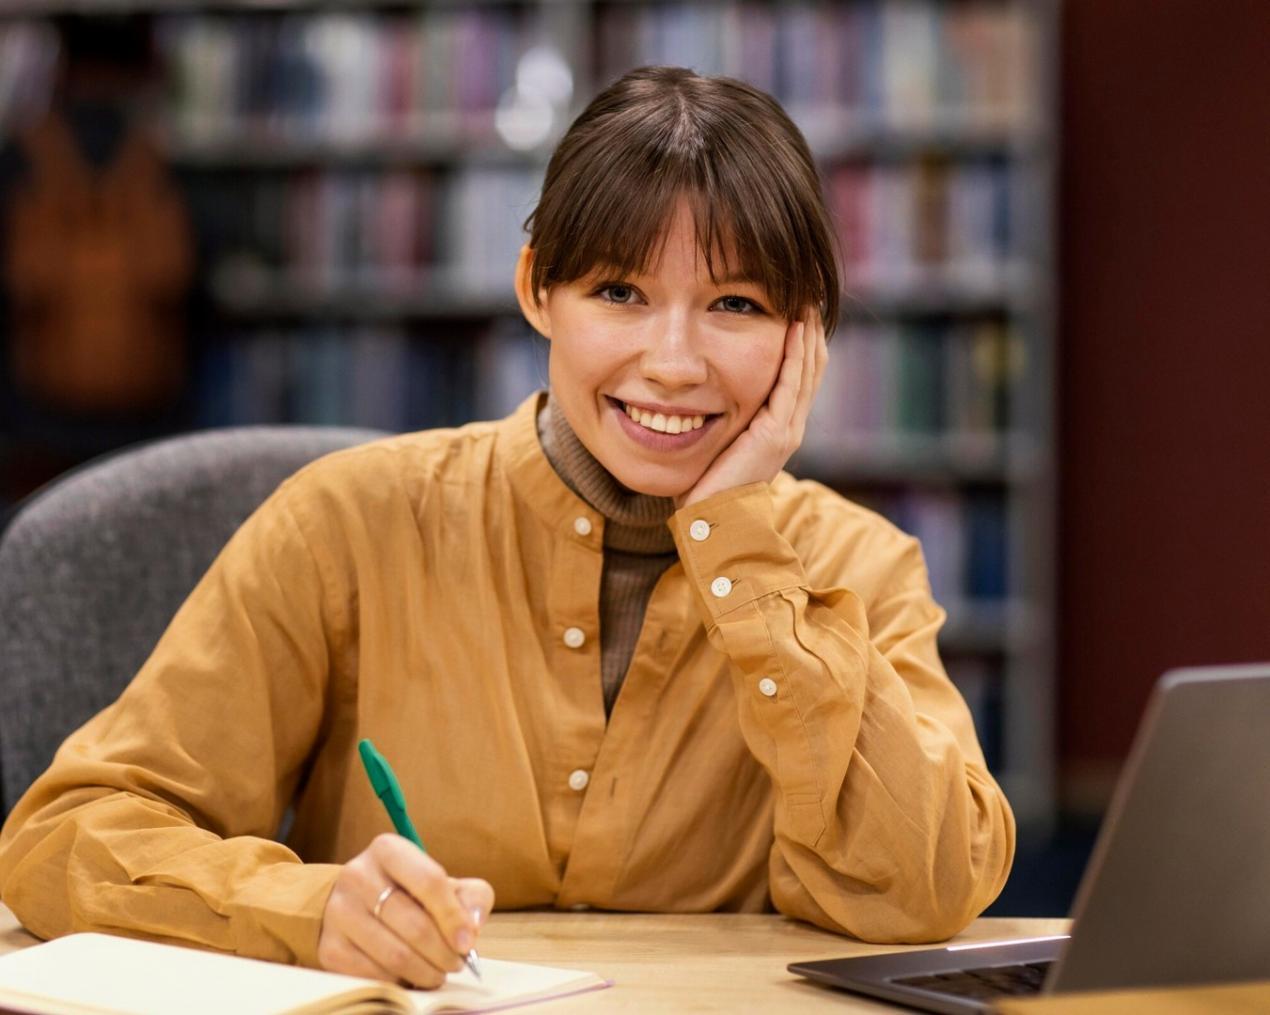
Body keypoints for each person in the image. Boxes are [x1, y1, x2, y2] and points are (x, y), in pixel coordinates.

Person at [0, 67, 1014, 988]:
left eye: (736, 305)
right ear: (536, 288)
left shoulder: (856, 564)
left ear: (808, 333)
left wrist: (743, 552)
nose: (673, 362)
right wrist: (307, 908)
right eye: (619, 292)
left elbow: (921, 892)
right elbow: (65, 834)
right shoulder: (346, 522)